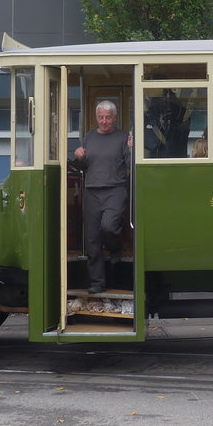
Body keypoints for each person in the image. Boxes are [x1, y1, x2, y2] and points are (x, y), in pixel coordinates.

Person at [72, 100, 133, 295]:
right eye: (101, 117)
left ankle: (116, 247)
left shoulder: (123, 137)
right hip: (91, 191)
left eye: (108, 117)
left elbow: (131, 165)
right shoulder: (89, 137)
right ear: (96, 118)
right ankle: (97, 283)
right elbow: (82, 169)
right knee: (92, 239)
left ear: (114, 118)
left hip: (115, 189)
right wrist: (79, 157)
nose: (104, 121)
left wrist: (132, 149)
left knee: (109, 226)